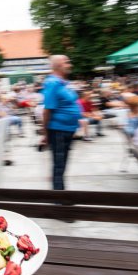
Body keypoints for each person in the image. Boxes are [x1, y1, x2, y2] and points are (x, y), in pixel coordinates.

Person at [41, 55, 82, 190]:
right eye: (67, 62)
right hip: (58, 130)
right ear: (58, 65)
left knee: (62, 164)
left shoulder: (63, 83)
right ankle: (58, 199)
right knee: (59, 165)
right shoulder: (52, 83)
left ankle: (60, 193)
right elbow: (47, 110)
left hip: (68, 129)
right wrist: (45, 134)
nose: (70, 64)